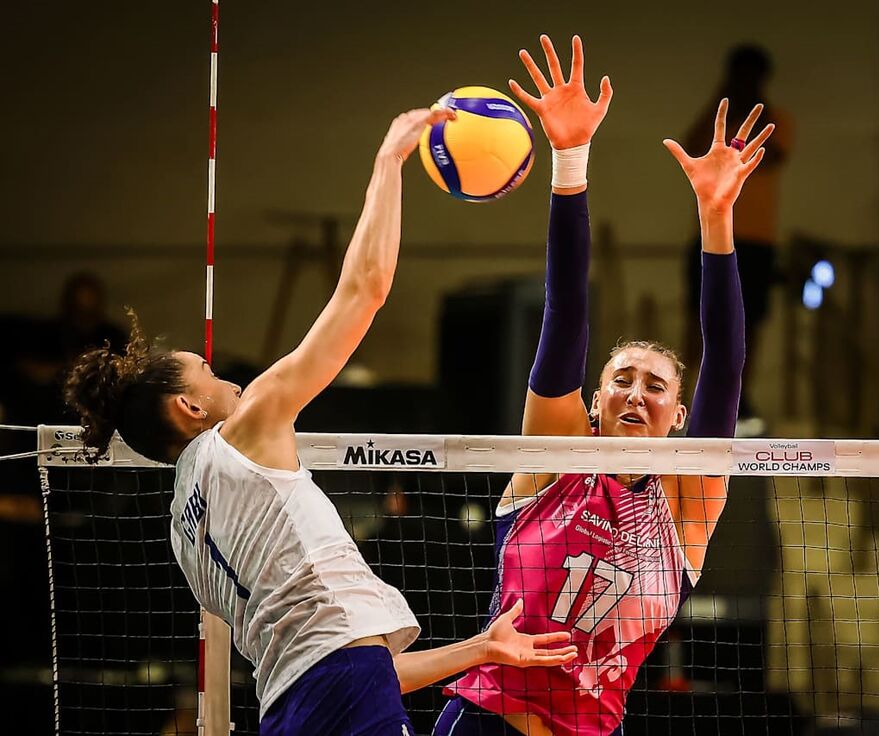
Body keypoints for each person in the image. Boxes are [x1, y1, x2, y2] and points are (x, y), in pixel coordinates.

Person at [63, 107, 577, 736]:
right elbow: (364, 290)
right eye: (205, 369)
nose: (225, 376)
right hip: (331, 690)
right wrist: (389, 163)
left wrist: (481, 649)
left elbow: (340, 657)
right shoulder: (247, 422)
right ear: (188, 407)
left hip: (293, 705)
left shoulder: (182, 532)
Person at [433, 35, 772, 736]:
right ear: (594, 400)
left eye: (657, 386)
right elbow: (566, 313)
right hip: (485, 722)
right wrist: (570, 158)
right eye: (622, 379)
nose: (638, 393)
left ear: (679, 417)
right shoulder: (555, 455)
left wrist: (716, 215)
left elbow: (729, 364)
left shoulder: (687, 507)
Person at [683, 44, 793, 436]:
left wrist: (754, 105)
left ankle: (738, 397)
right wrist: (721, 101)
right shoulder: (715, 126)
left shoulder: (776, 120)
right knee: (697, 317)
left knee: (752, 323)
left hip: (758, 241)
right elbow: (690, 149)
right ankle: (689, 392)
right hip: (711, 236)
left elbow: (777, 155)